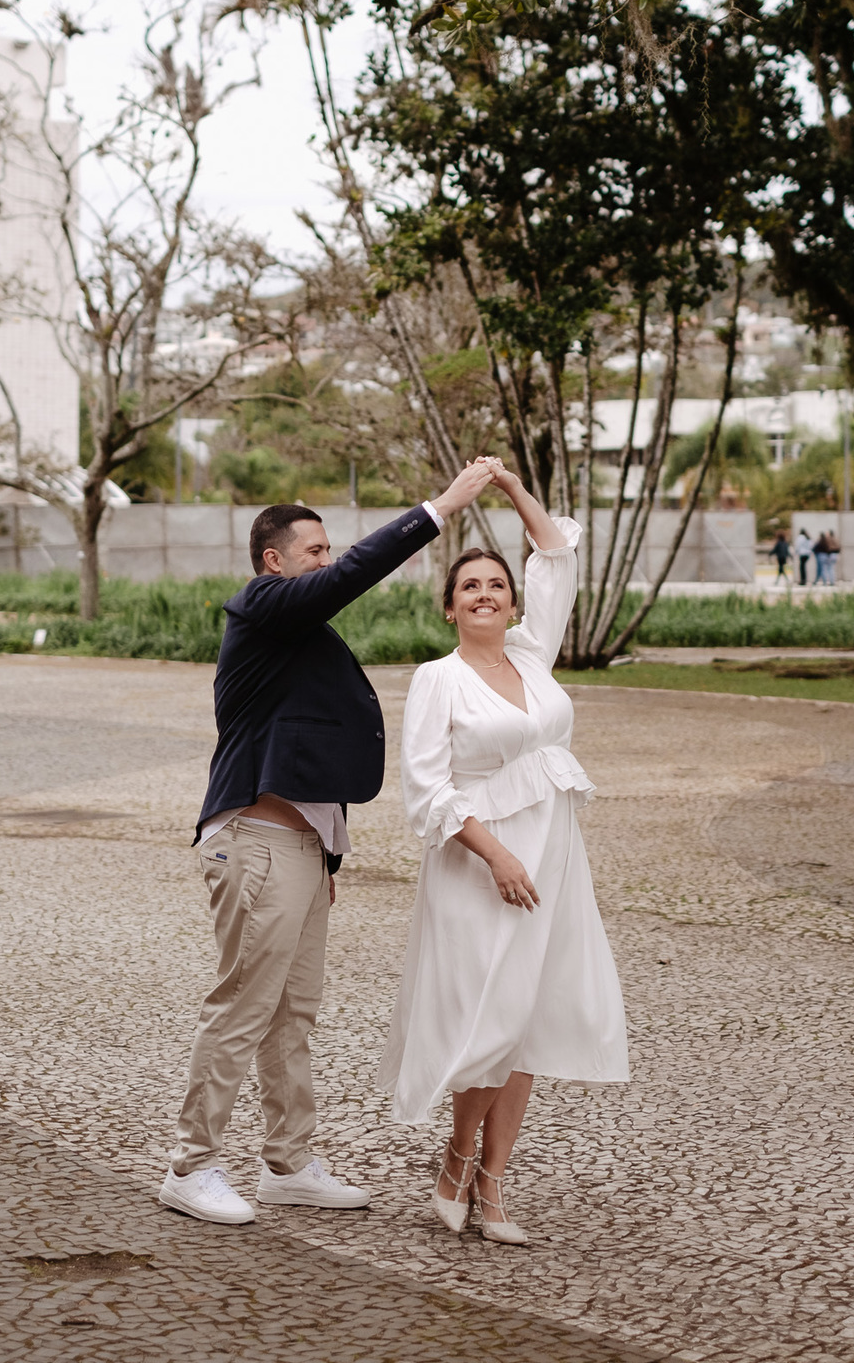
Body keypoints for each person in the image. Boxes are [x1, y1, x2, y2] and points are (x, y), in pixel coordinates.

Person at [159, 460, 496, 1227]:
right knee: (243, 1006)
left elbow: (305, 745)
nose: (327, 559)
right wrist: (439, 508)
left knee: (293, 1013)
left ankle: (288, 1163)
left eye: (327, 548)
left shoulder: (296, 633)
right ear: (274, 560)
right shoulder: (261, 607)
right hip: (254, 836)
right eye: (314, 549)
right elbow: (346, 580)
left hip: (303, 847)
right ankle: (192, 1165)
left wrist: (326, 853)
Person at [378, 459, 628, 1247]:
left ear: (511, 604)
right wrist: (495, 856)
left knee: (529, 1019)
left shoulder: (531, 655)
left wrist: (513, 490)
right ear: (450, 609)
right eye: (470, 589)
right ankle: (455, 1157)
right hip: (478, 865)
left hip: (552, 851)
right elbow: (425, 789)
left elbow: (554, 554)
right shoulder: (437, 680)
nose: (486, 596)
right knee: (488, 1017)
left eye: (497, 586)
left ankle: (493, 1186)